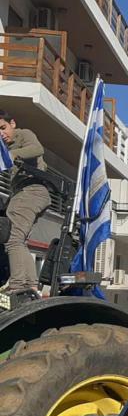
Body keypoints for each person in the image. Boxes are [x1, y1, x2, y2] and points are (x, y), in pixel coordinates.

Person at [0, 111, 50, 298]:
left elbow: (37, 149)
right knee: (19, 241)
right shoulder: (4, 146)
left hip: (31, 190)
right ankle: (30, 286)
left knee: (13, 239)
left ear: (12, 123)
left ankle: (17, 286)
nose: (1, 134)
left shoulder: (23, 134)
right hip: (24, 193)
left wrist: (12, 154)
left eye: (3, 128)